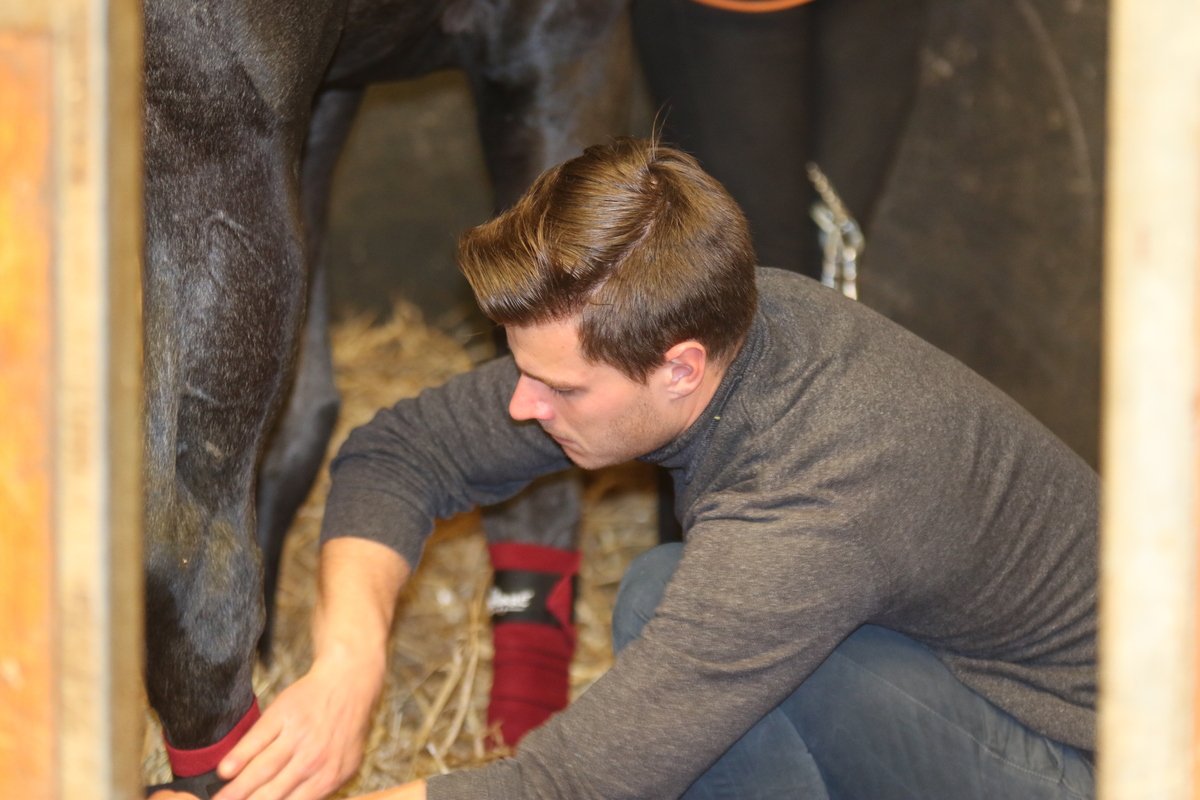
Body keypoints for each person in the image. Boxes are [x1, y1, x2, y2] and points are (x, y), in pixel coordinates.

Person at [186, 136, 1096, 800]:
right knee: (669, 595)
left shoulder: (812, 501)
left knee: (667, 607)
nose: (523, 406)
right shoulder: (729, 319)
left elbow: (573, 785)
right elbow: (401, 452)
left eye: (560, 388)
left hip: (1097, 767)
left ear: (679, 368)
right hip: (967, 686)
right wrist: (348, 667)